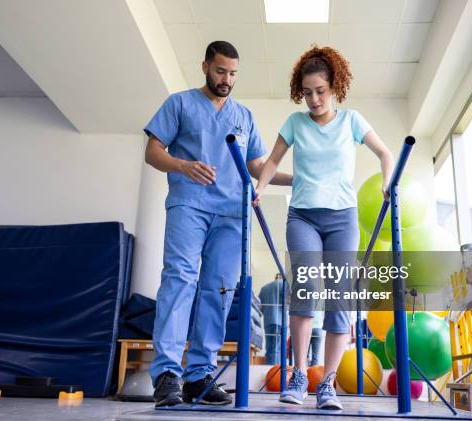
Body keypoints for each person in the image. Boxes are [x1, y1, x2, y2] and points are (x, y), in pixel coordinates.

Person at [144, 40, 292, 407]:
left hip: (231, 213)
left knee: (220, 291)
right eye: (220, 71)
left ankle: (198, 376)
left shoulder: (243, 116)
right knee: (179, 281)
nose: (227, 79)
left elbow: (257, 166)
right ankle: (166, 374)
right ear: (205, 66)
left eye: (233, 74)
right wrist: (182, 165)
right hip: (189, 205)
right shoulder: (179, 104)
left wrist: (298, 179)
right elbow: (153, 152)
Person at [253, 45, 393, 410]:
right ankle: (300, 375)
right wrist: (261, 187)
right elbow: (271, 161)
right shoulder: (295, 123)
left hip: (342, 219)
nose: (314, 99)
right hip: (302, 216)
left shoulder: (352, 121)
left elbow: (385, 153)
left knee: (339, 302)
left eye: (321, 91)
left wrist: (386, 181)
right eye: (308, 92)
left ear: (335, 87)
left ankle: (327, 383)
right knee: (303, 293)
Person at [258, 273, 288, 365]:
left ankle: (268, 367)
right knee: (277, 348)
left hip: (268, 321)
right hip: (280, 321)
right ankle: (275, 370)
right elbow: (289, 302)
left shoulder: (264, 288)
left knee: (269, 347)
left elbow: (259, 307)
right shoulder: (283, 285)